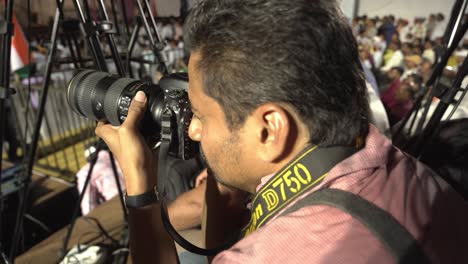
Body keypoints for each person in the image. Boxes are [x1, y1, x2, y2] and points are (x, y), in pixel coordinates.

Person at [95, 0, 468, 263]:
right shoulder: (402, 164)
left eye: (203, 117)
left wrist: (140, 188)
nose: (191, 130)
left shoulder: (267, 256)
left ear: (270, 130)